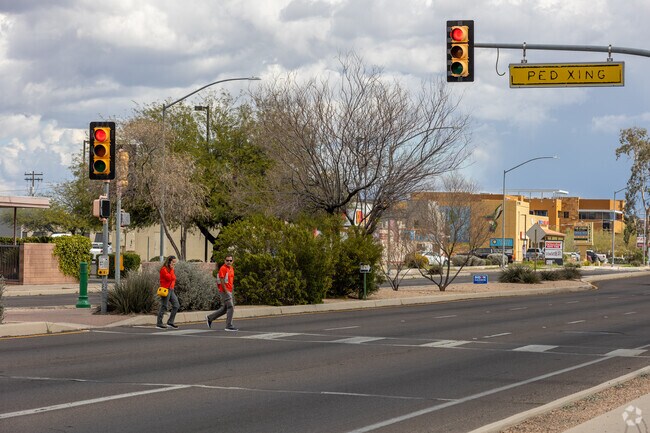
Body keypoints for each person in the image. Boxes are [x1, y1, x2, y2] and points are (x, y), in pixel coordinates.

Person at [206, 255, 237, 331]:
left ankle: (210, 318)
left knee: (225, 309)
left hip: (229, 290)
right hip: (224, 291)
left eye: (230, 260)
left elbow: (230, 280)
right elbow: (221, 280)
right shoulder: (223, 268)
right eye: (227, 260)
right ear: (224, 261)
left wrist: (231, 289)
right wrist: (225, 290)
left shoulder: (231, 268)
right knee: (231, 307)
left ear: (232, 261)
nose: (229, 262)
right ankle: (229, 326)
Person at [157, 255, 179, 329]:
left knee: (176, 305)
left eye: (175, 263)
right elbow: (170, 278)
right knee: (164, 306)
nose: (174, 264)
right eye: (173, 262)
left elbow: (174, 278)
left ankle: (170, 322)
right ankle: (159, 323)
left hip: (171, 289)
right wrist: (172, 270)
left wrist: (172, 270)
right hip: (165, 290)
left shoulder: (170, 269)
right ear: (169, 261)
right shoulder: (164, 269)